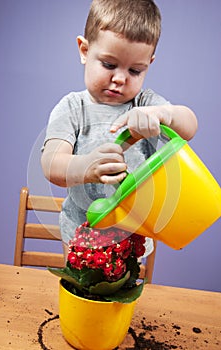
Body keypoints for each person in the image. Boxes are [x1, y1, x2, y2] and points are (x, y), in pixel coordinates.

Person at [41, 0, 198, 262]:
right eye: (109, 65)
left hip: (133, 234)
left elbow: (190, 126)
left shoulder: (146, 103)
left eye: (135, 70)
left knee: (124, 294)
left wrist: (164, 115)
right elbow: (51, 165)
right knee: (85, 289)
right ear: (84, 50)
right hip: (81, 231)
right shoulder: (72, 107)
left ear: (149, 63)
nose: (121, 78)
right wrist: (86, 167)